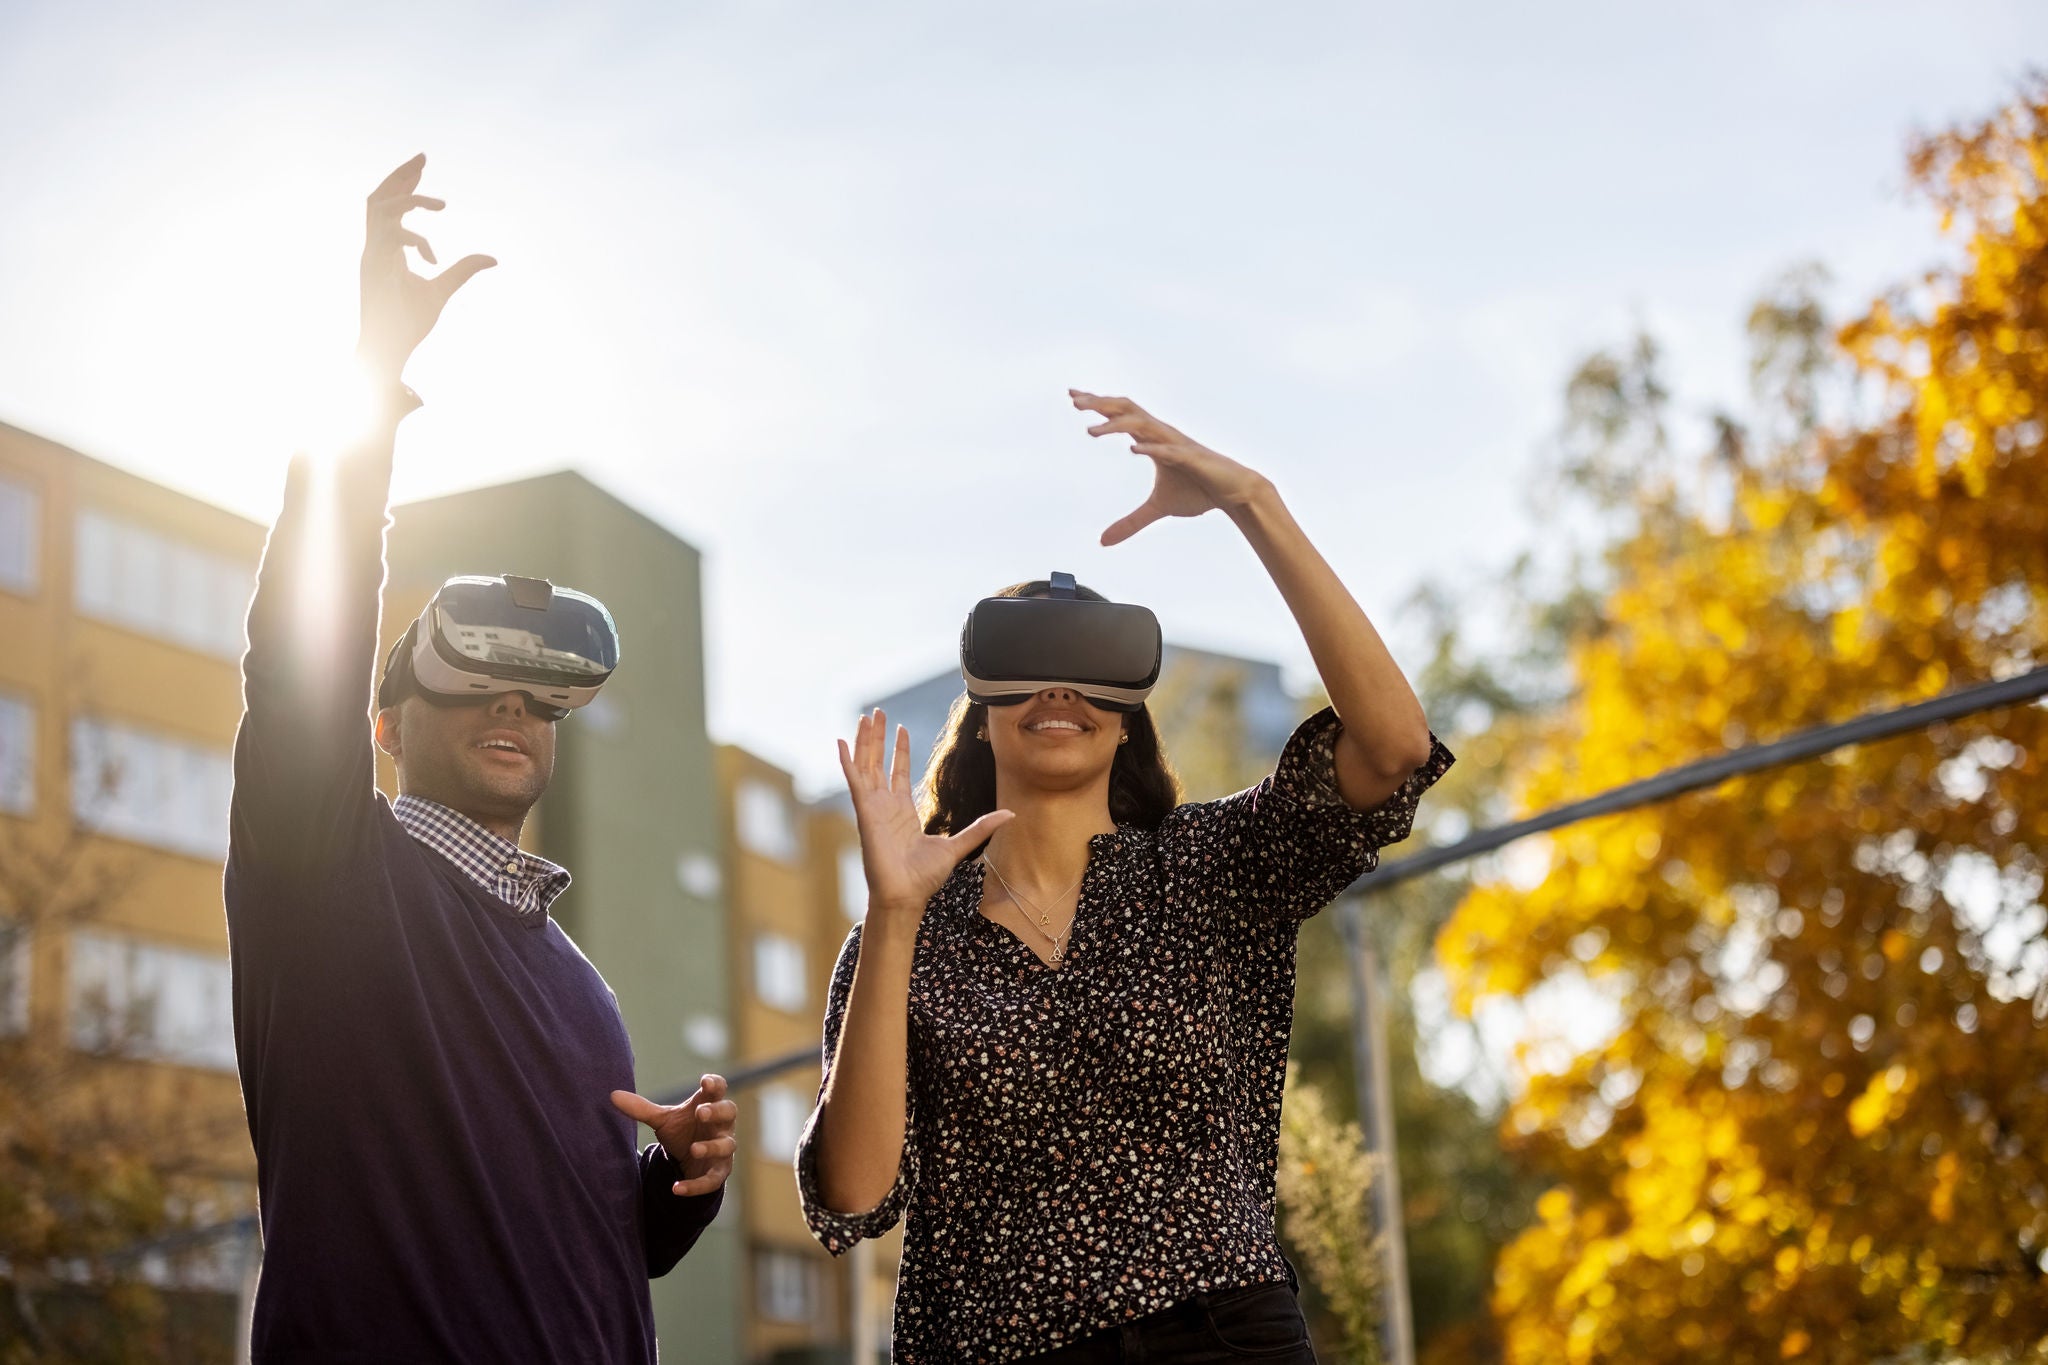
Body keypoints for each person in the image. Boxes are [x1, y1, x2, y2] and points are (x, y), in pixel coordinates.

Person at [796, 389, 1455, 1364]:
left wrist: (1251, 501)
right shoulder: (905, 937)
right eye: (1025, 664)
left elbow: (1393, 746)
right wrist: (892, 914)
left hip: (1222, 1331)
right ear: (981, 707)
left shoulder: (1207, 870)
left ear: (1127, 709)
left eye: (1092, 664)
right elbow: (852, 1200)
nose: (1058, 690)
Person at [225, 155, 734, 1363]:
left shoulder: (577, 983)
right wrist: (370, 379)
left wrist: (676, 1187)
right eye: (470, 686)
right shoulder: (330, 874)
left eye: (539, 698)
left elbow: (573, 1248)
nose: (511, 709)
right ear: (385, 725)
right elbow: (300, 656)